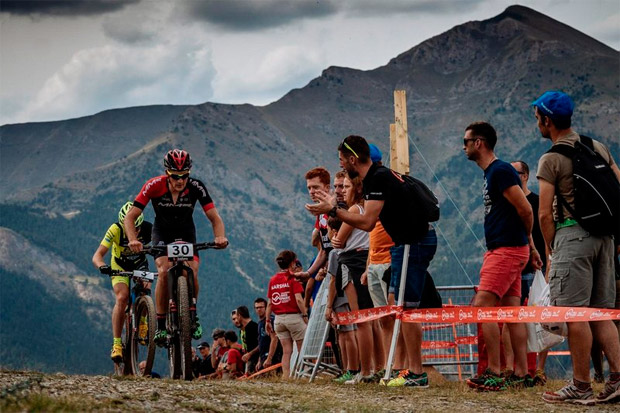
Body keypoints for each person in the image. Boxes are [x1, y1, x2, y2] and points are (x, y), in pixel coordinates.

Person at [306, 135, 437, 388]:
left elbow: (366, 223)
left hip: (415, 242)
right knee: (395, 308)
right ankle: (400, 368)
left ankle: (417, 373)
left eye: (343, 161)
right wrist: (335, 206)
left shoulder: (378, 178)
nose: (342, 166)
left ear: (354, 159)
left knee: (406, 309)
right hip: (404, 244)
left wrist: (333, 210)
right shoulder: (375, 177)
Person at [533, 91, 620, 405]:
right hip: (606, 238)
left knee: (575, 313)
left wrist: (553, 248)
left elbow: (544, 212)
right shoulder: (597, 147)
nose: (537, 124)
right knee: (601, 313)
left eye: (538, 118)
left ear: (547, 120)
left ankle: (581, 385)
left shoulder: (552, 158)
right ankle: (617, 379)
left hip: (573, 236)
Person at [461, 121, 541, 391]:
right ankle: (520, 372)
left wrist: (527, 242)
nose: (464, 147)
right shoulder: (492, 173)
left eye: (466, 141)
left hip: (505, 249)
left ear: (479, 143)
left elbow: (526, 209)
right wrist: (528, 247)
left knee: (482, 308)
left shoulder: (500, 171)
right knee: (512, 312)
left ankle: (494, 371)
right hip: (511, 248)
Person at [124, 149, 229, 346]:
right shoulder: (153, 186)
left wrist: (220, 237)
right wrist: (133, 240)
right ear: (167, 173)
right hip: (162, 233)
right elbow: (130, 217)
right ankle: (161, 324)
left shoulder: (197, 186)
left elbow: (215, 218)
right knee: (163, 271)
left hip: (186, 232)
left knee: (193, 271)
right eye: (175, 176)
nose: (180, 181)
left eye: (184, 176)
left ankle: (192, 316)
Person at [501, 160, 548, 384]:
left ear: (526, 175)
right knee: (511, 318)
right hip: (513, 268)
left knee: (541, 318)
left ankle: (539, 369)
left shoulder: (538, 202)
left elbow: (547, 236)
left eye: (516, 173)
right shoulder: (507, 201)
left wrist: (548, 266)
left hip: (536, 268)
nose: (512, 176)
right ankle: (510, 367)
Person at [92, 201, 152, 362]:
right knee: (122, 298)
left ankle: (144, 320)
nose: (135, 231)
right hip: (119, 264)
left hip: (139, 263)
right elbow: (97, 255)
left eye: (138, 228)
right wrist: (102, 266)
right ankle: (117, 343)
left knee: (146, 287)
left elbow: (160, 247)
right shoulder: (115, 230)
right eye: (131, 227)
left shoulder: (148, 228)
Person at [332, 174, 375, 383]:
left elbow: (338, 241)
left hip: (352, 262)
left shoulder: (354, 210)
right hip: (364, 259)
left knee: (361, 320)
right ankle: (375, 368)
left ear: (357, 189)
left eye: (347, 186)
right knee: (371, 320)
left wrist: (335, 236)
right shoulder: (368, 209)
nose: (343, 191)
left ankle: (365, 371)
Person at [323, 216, 360, 384]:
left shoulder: (334, 253)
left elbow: (332, 281)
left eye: (329, 231)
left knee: (347, 334)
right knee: (343, 334)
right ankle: (348, 369)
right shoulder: (350, 249)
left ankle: (351, 369)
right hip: (347, 296)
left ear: (335, 232)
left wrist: (328, 306)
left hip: (339, 298)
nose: (328, 234)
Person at [266, 250, 308, 379]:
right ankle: (304, 374)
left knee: (286, 351)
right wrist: (305, 315)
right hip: (294, 317)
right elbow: (299, 299)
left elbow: (270, 303)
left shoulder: (273, 280)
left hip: (278, 320)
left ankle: (286, 376)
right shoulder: (293, 278)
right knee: (302, 349)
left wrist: (268, 320)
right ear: (292, 263)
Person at [254, 297, 281, 371]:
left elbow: (274, 339)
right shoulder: (260, 323)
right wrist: (259, 360)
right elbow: (261, 342)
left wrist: (269, 358)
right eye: (257, 308)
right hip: (263, 357)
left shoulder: (270, 320)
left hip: (273, 358)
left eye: (261, 307)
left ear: (266, 308)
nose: (259, 309)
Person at [236, 305, 259, 373]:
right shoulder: (243, 329)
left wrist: (250, 354)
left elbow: (261, 344)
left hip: (256, 359)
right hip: (249, 359)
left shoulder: (254, 327)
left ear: (239, 315)